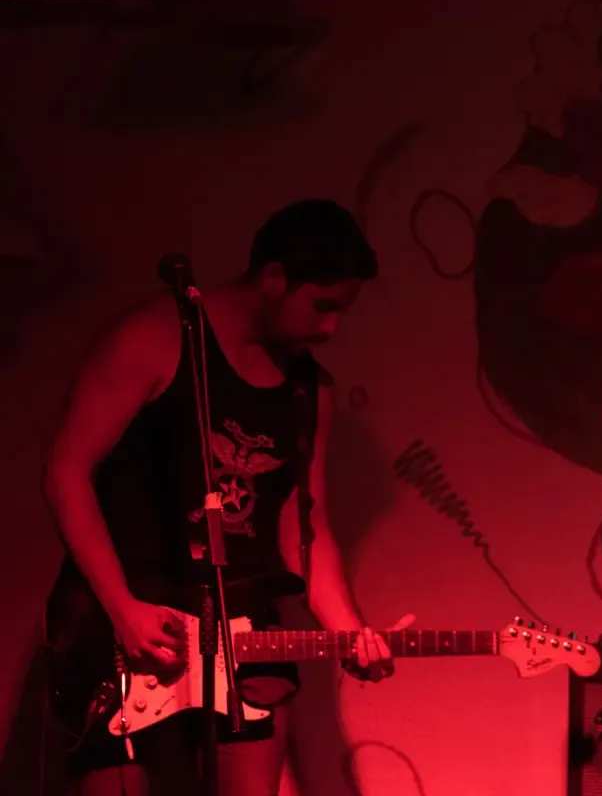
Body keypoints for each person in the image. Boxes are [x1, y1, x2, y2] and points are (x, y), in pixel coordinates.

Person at [41, 199, 410, 795]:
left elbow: (304, 521)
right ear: (274, 278)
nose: (331, 329)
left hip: (243, 622)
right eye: (323, 305)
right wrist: (121, 607)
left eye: (342, 311)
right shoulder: (153, 338)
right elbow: (65, 472)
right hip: (125, 621)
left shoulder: (310, 390)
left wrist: (348, 628)